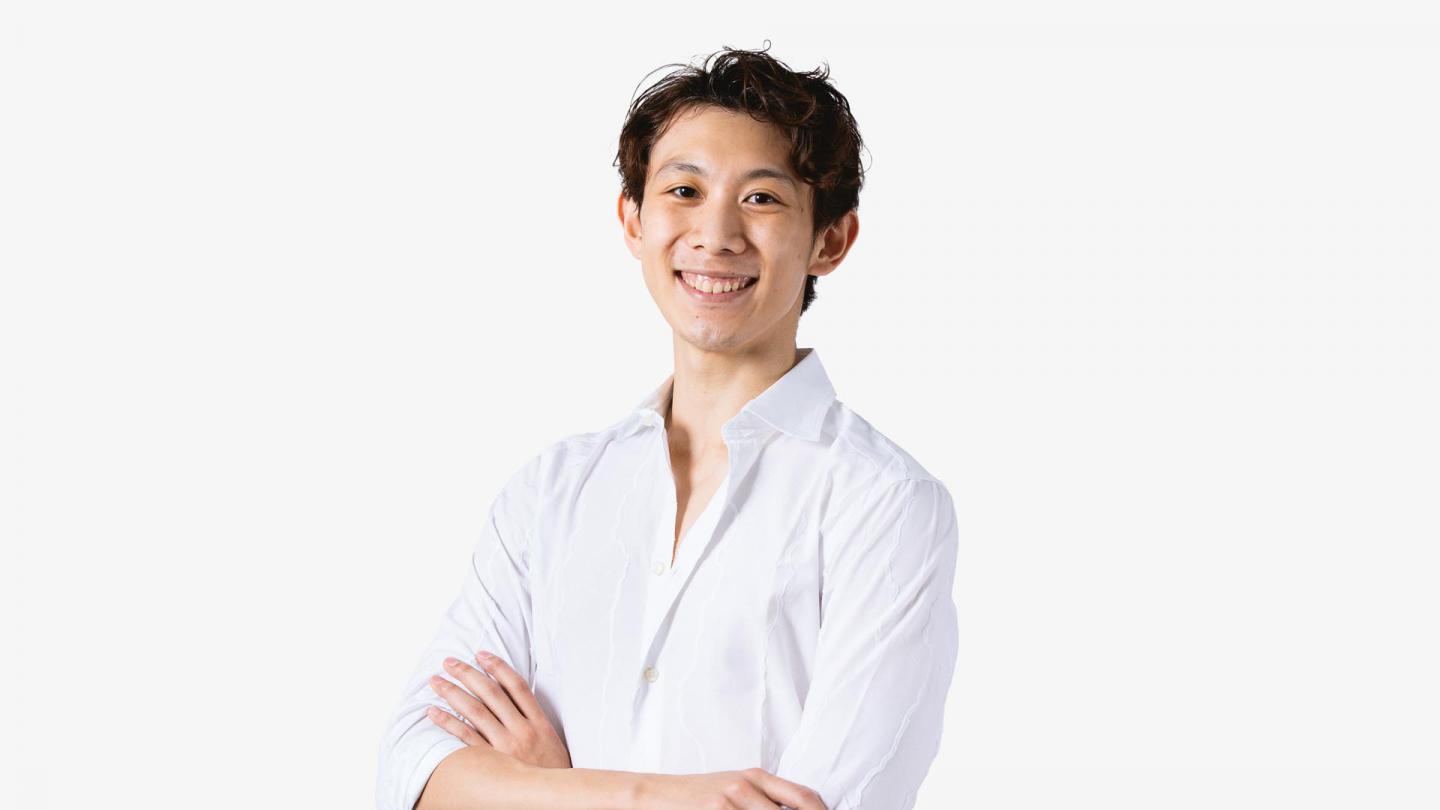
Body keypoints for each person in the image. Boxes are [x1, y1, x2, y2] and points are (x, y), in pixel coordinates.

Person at [375, 43, 960, 810]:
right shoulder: (552, 492)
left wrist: (546, 790)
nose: (714, 234)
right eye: (683, 189)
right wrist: (644, 796)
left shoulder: (883, 505)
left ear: (830, 240)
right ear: (632, 219)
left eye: (761, 199)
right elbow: (411, 774)